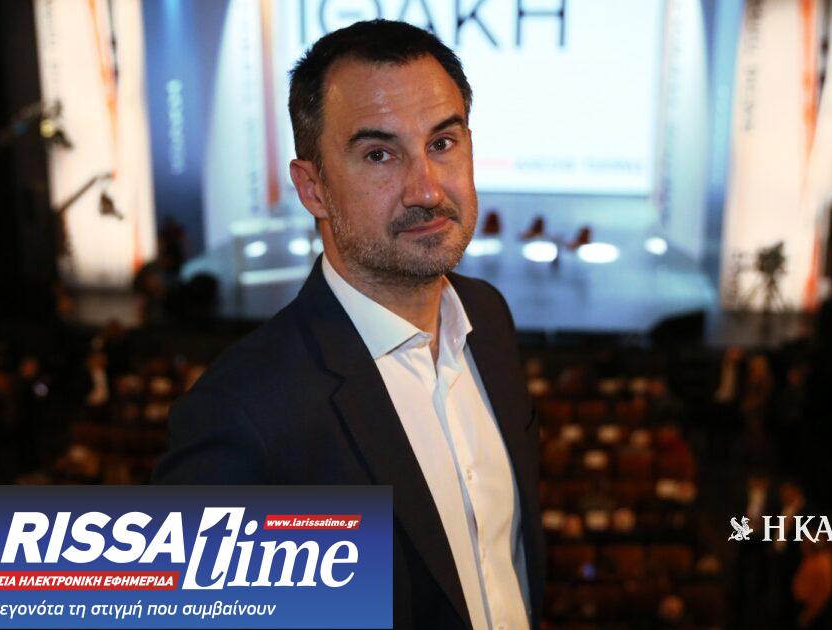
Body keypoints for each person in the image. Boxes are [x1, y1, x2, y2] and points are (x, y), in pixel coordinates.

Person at [153, 20, 544, 630]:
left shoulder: (489, 319)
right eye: (379, 154)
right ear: (313, 188)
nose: (426, 190)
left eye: (442, 143)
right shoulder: (242, 414)